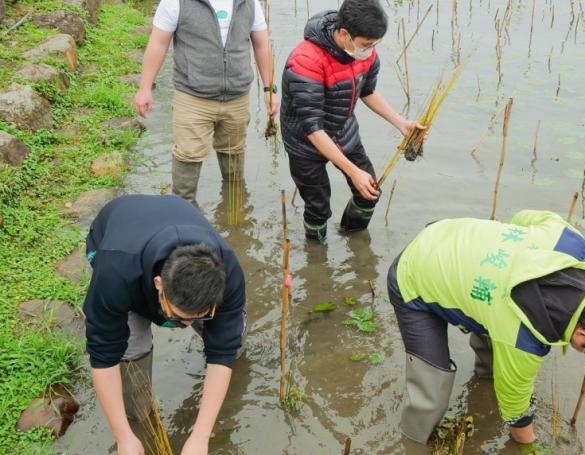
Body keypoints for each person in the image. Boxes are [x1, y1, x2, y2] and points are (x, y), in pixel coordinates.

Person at [387, 210, 585, 444]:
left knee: (498, 323)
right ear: (583, 335)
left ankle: (485, 375)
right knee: (431, 390)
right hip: (413, 275)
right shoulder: (526, 341)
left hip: (446, 232)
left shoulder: (570, 242)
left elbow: (524, 218)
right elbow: (515, 411)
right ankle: (412, 441)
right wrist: (528, 446)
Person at [83, 195, 247, 455]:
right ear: (159, 284)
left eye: (199, 316)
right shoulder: (114, 272)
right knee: (130, 350)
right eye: (179, 317)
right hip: (119, 238)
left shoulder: (228, 272)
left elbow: (222, 352)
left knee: (231, 340)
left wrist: (201, 435)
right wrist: (123, 436)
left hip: (172, 221)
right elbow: (103, 356)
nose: (185, 325)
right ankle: (138, 417)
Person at [280, 0, 423, 242]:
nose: (370, 50)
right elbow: (313, 130)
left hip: (344, 131)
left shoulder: (364, 52)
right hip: (305, 143)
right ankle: (317, 259)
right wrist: (352, 170)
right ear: (344, 34)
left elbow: (368, 91)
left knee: (369, 193)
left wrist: (402, 123)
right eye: (366, 44)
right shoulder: (306, 60)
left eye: (374, 44)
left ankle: (354, 241)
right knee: (318, 208)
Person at [133, 0, 280, 204]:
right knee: (187, 159)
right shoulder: (176, 3)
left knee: (234, 163)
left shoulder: (249, 3)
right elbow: (158, 43)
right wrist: (144, 88)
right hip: (192, 96)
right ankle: (185, 221)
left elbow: (262, 44)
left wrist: (269, 89)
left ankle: (234, 225)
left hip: (237, 97)